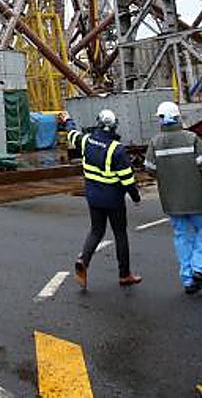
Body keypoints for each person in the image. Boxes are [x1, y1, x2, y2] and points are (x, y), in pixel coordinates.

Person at [144, 100, 202, 295]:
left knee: (181, 235)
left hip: (171, 199)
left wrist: (166, 179)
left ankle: (188, 279)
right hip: (196, 197)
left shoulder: (155, 142)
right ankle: (200, 268)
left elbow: (150, 169)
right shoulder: (191, 138)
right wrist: (197, 182)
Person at [67, 109, 143, 289]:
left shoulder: (87, 141)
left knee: (96, 231)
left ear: (99, 124)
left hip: (93, 197)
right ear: (114, 125)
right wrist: (135, 197)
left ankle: (83, 260)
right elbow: (127, 179)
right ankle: (124, 274)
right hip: (114, 200)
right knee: (120, 233)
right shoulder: (117, 149)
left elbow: (72, 135)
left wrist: (68, 120)